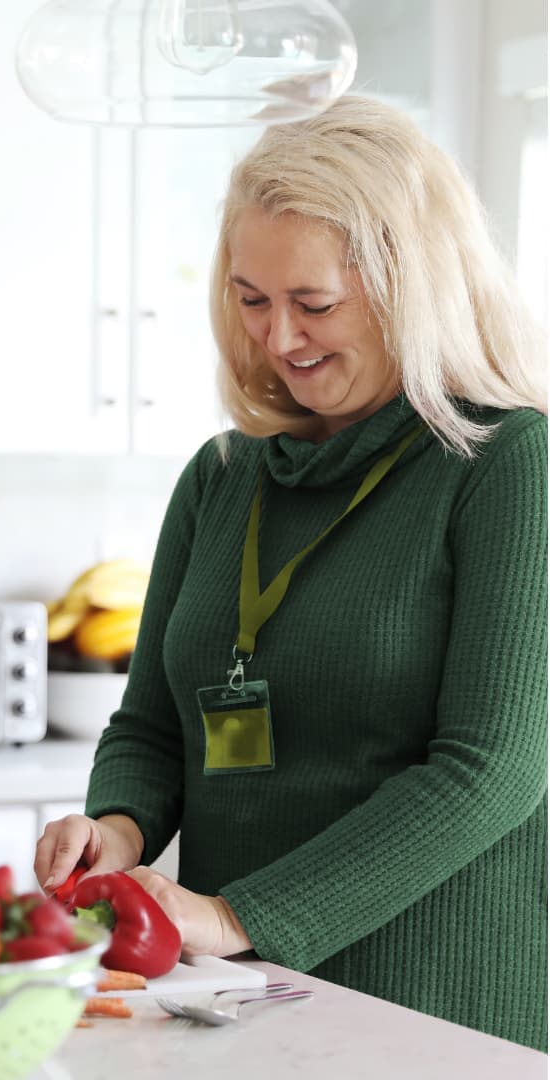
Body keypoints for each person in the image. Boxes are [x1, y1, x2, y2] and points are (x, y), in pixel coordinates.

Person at [35, 95, 547, 1049]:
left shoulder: (510, 464)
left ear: (412, 287)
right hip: (242, 1002)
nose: (278, 339)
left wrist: (232, 917)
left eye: (313, 303)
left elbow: (492, 770)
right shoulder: (223, 476)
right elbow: (151, 725)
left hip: (435, 1011)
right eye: (250, 298)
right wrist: (116, 829)